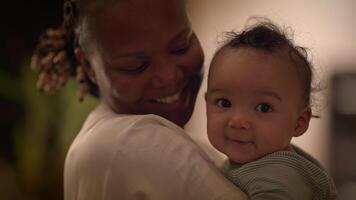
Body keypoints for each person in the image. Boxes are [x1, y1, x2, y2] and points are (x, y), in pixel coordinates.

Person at [30, 0, 248, 199]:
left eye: (181, 46)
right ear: (88, 66)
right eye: (135, 66)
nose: (169, 76)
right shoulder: (136, 141)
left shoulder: (97, 137)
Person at [205, 21, 337, 199]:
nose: (237, 121)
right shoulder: (258, 163)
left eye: (263, 108)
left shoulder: (281, 176)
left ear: (299, 123)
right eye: (224, 103)